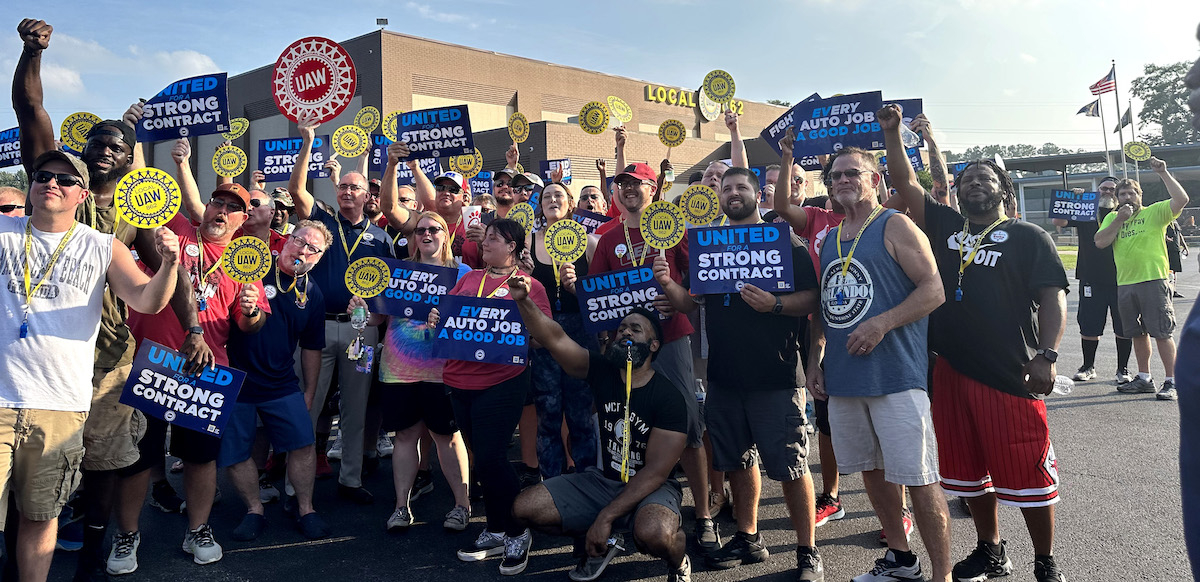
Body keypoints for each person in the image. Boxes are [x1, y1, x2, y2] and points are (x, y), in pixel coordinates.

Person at [12, 19, 217, 581]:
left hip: (105, 358)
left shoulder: (136, 216)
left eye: (117, 146)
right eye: (97, 143)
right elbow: (33, 115)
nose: (105, 151)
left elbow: (166, 276)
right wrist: (32, 55)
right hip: (37, 357)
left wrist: (195, 328)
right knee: (28, 472)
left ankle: (95, 558)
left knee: (104, 461)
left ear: (131, 160)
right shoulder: (56, 192)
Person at [881, 103, 1069, 582]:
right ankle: (991, 550)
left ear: (1004, 190)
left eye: (986, 178)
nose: (975, 183)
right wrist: (892, 133)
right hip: (949, 371)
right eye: (968, 179)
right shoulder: (945, 227)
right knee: (968, 474)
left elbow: (1052, 299)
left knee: (1026, 471)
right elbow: (906, 185)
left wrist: (1047, 356)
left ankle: (1044, 561)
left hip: (1009, 374)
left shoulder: (1028, 236)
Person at [0, 151, 179, 582]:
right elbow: (31, 110)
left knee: (41, 517)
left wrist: (171, 263)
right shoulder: (4, 232)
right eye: (43, 176)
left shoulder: (103, 245)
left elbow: (147, 299)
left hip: (61, 407)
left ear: (83, 194)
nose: (52, 183)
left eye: (64, 179)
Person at [656, 166, 824, 580]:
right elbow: (692, 304)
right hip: (725, 377)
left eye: (741, 187)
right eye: (727, 187)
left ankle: (807, 552)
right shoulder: (708, 245)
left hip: (777, 374)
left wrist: (776, 305)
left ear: (757, 194)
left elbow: (814, 300)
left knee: (790, 466)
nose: (733, 193)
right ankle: (749, 537)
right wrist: (667, 283)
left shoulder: (785, 241)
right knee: (737, 460)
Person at [803, 141, 952, 582]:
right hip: (846, 381)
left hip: (896, 377)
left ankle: (942, 576)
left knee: (920, 479)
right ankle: (901, 560)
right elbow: (825, 306)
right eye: (836, 175)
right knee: (870, 470)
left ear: (874, 179)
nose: (843, 180)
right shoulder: (830, 238)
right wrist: (816, 359)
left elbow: (934, 290)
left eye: (853, 173)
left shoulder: (895, 224)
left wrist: (882, 324)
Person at [121, 181, 272, 569]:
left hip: (206, 370)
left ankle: (198, 529)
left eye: (231, 208)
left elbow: (247, 325)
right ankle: (127, 535)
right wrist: (140, 135)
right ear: (204, 207)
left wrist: (252, 311)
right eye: (216, 202)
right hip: (149, 361)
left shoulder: (245, 259)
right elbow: (143, 193)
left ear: (242, 219)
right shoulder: (177, 228)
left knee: (200, 459)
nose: (221, 211)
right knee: (138, 455)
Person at [510, 300, 692, 582]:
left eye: (636, 329)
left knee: (654, 535)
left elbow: (656, 472)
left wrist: (604, 517)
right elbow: (553, 337)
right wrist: (523, 300)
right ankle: (602, 543)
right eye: (621, 329)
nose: (625, 333)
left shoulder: (669, 398)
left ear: (654, 345)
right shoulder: (601, 369)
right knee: (525, 508)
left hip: (650, 487)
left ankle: (679, 561)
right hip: (603, 481)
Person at [588, 162, 718, 551]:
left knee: (689, 426)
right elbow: (597, 295)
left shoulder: (673, 228)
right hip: (627, 346)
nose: (629, 190)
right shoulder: (610, 237)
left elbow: (697, 287)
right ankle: (628, 507)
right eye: (622, 184)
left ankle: (705, 514)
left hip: (674, 338)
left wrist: (674, 290)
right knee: (624, 423)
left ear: (653, 188)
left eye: (637, 184)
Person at [429, 218, 552, 576]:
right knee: (481, 459)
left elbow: (543, 337)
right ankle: (496, 528)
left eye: (494, 238)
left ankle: (517, 532)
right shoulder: (469, 279)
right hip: (458, 380)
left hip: (502, 381)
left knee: (493, 459)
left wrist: (524, 311)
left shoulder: (530, 285)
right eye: (485, 238)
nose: (485, 242)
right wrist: (439, 316)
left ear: (512, 246)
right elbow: (450, 317)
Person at [289, 113, 394, 504]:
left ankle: (350, 479)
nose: (348, 192)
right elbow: (298, 189)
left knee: (355, 406)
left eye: (356, 187)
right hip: (317, 329)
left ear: (368, 196)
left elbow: (387, 289)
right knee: (309, 403)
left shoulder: (380, 238)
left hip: (360, 332)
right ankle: (293, 484)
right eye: (343, 187)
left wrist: (377, 320)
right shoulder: (322, 222)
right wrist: (307, 142)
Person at [219, 221, 334, 542]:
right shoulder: (251, 269)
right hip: (235, 380)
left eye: (313, 248)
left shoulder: (313, 293)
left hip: (282, 382)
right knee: (236, 451)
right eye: (299, 241)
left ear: (319, 257)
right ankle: (254, 509)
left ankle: (306, 508)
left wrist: (310, 390)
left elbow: (312, 347)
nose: (303, 250)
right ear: (286, 241)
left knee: (303, 445)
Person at [371, 208, 473, 533]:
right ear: (413, 238)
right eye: (419, 230)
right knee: (404, 436)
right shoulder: (397, 272)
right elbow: (376, 320)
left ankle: (462, 505)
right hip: (398, 368)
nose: (426, 234)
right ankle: (401, 507)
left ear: (446, 234)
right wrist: (364, 304)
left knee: (447, 436)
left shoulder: (463, 273)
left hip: (443, 370)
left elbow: (473, 322)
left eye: (434, 229)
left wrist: (447, 322)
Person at [1094, 158, 1190, 401]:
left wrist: (1164, 173)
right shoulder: (1112, 218)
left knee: (1162, 332)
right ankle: (1144, 378)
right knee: (1137, 333)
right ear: (1117, 198)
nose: (1127, 197)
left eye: (1131, 193)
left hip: (1153, 280)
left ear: (1140, 195)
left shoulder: (1155, 213)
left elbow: (1182, 200)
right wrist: (1118, 220)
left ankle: (1172, 381)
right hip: (1126, 283)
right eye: (1123, 194)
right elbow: (1100, 242)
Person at [530, 181, 600, 478]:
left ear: (571, 203)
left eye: (558, 195)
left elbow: (601, 298)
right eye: (547, 196)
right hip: (543, 336)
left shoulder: (591, 242)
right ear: (541, 206)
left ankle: (587, 480)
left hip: (580, 334)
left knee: (581, 414)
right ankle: (552, 482)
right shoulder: (529, 243)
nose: (552, 200)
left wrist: (578, 289)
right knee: (548, 413)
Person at [1050, 179, 1133, 385]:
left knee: (1123, 324)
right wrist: (1072, 199)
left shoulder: (1127, 213)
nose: (1107, 192)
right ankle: (1088, 366)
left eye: (1112, 189)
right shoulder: (1086, 211)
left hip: (1121, 277)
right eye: (1103, 188)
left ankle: (1123, 369)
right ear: (1098, 191)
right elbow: (1058, 222)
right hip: (1091, 275)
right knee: (1089, 323)